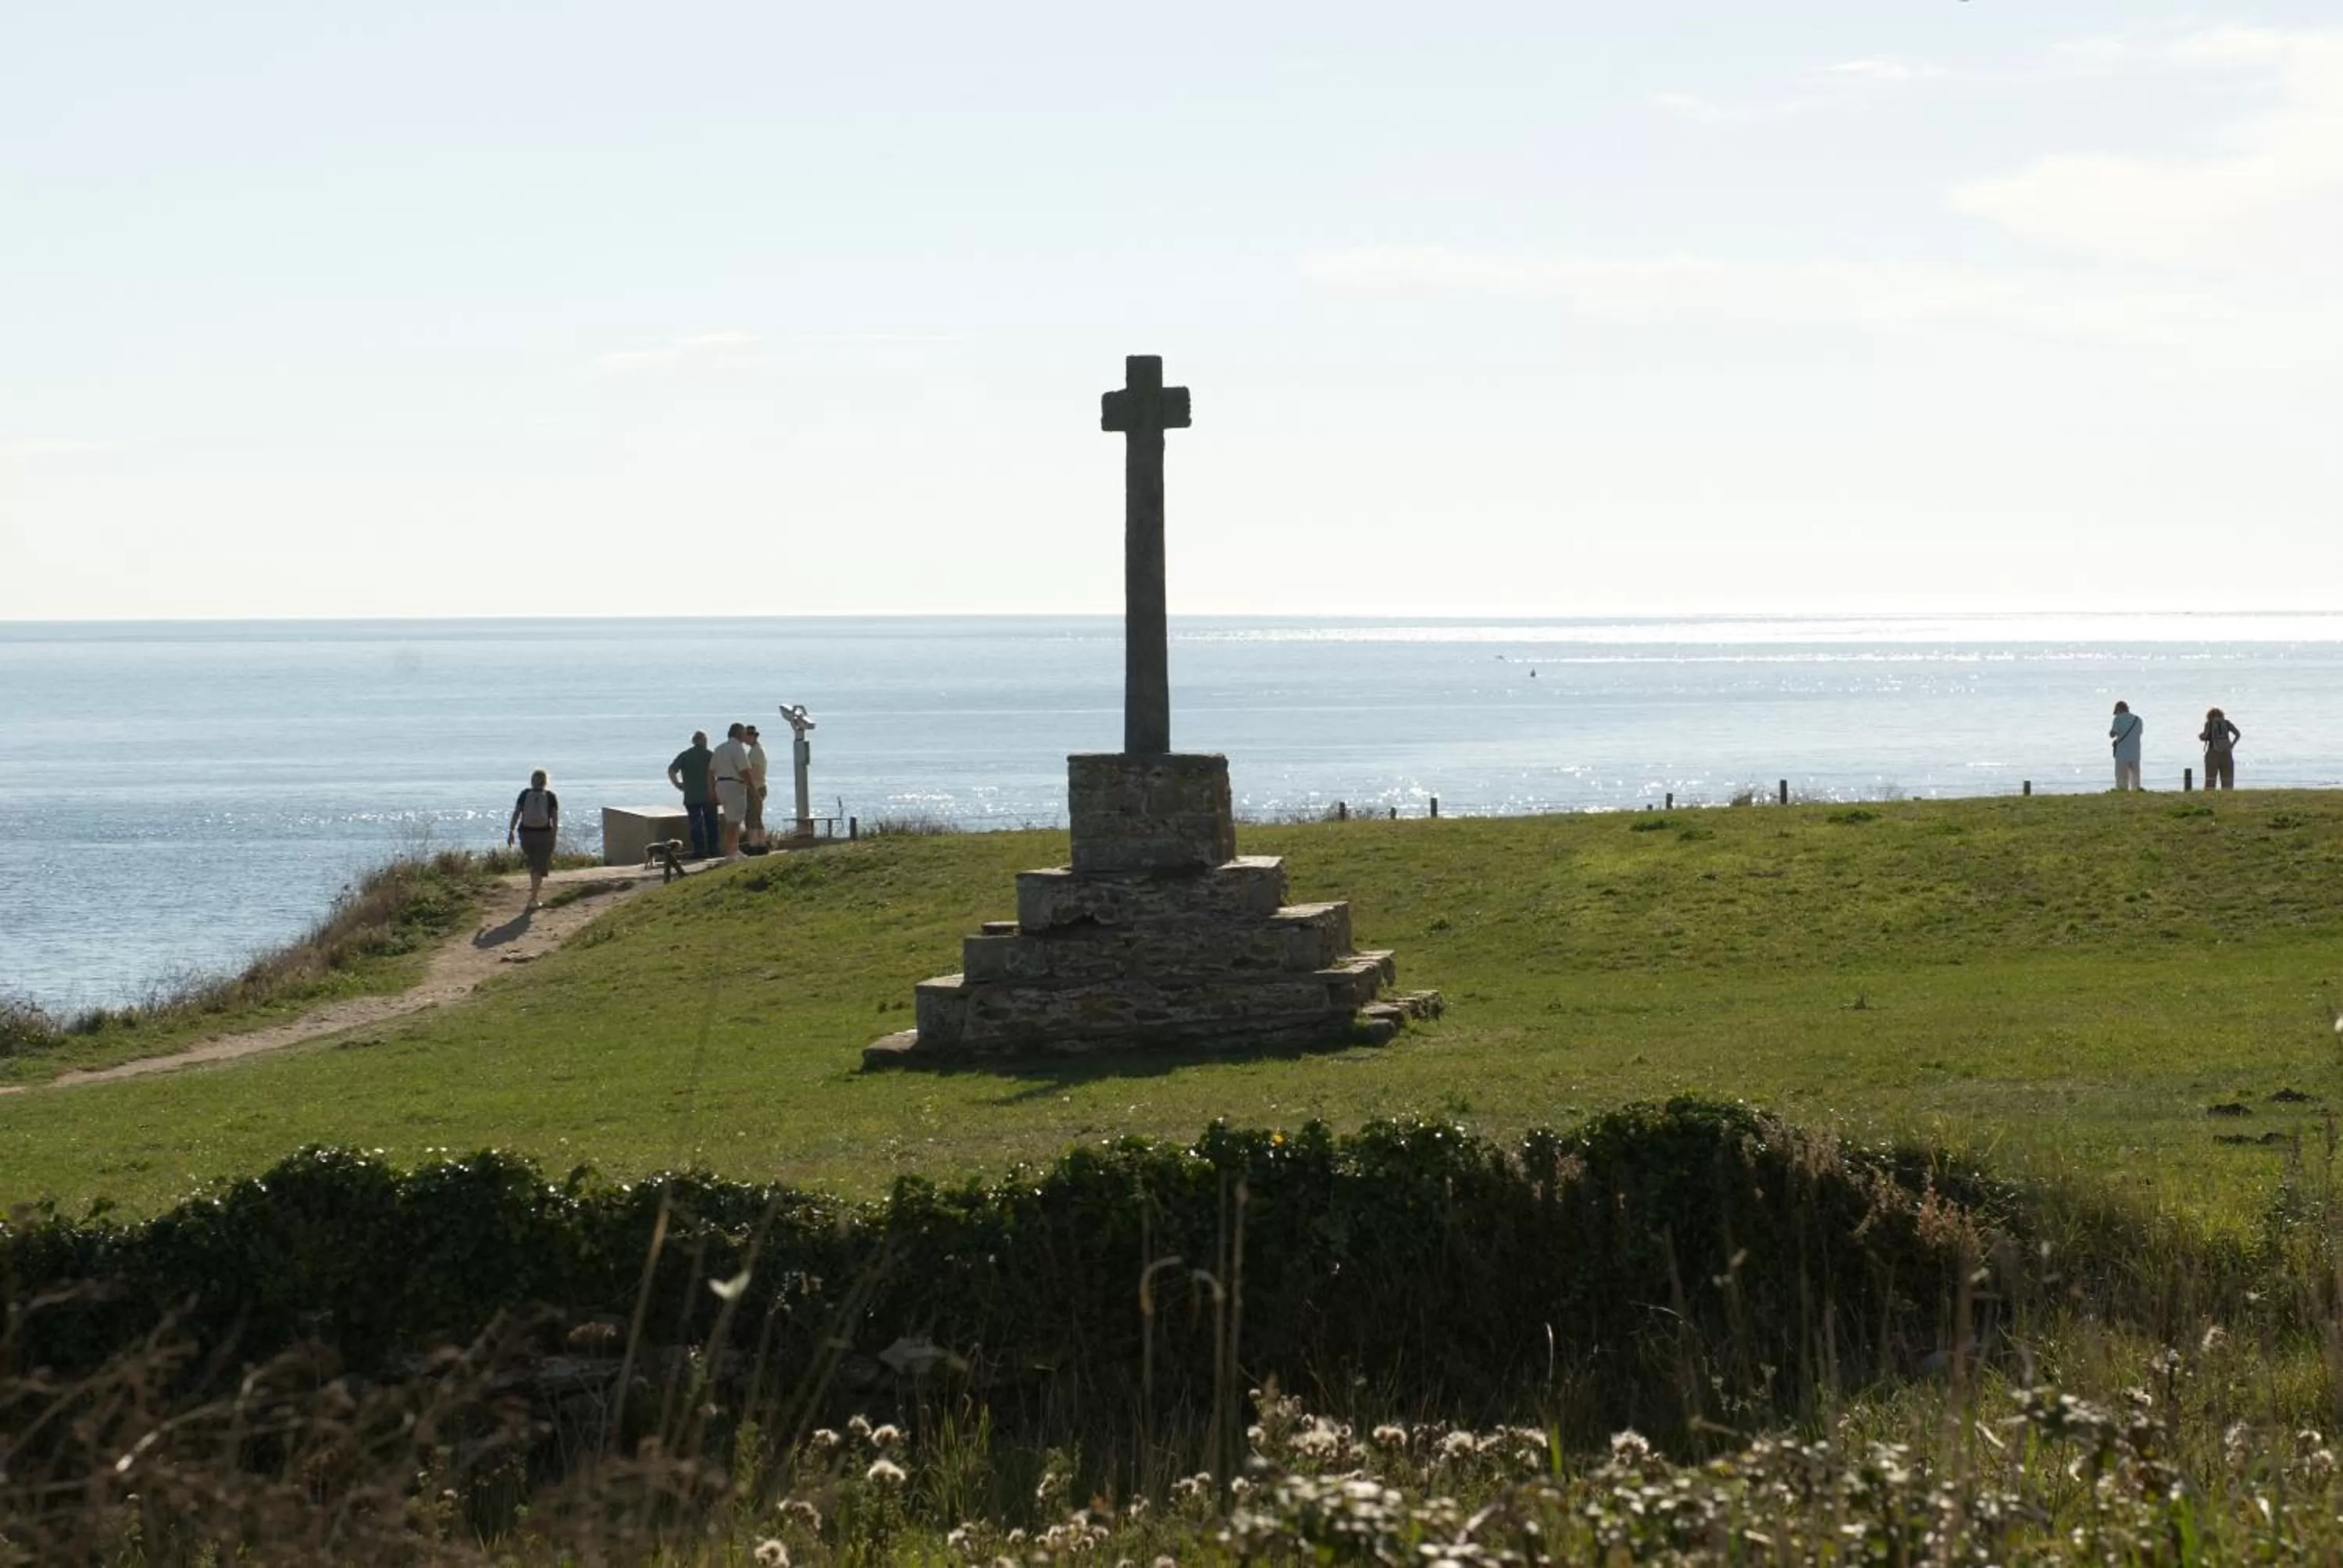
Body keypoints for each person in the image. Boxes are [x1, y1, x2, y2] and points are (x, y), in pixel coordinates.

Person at [505, 768, 560, 911]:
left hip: (526, 834)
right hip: (543, 834)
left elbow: (517, 813)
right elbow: (555, 820)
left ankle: (533, 895)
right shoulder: (550, 796)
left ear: (532, 781)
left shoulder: (524, 794)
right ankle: (533, 899)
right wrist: (554, 836)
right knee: (539, 867)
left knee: (534, 864)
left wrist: (511, 831)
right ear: (546, 781)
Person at [668, 730, 718, 859]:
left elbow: (672, 770)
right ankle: (713, 849)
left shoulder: (685, 755)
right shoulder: (709, 755)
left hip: (691, 796)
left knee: (695, 824)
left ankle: (699, 850)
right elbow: (719, 773)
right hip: (709, 795)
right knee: (711, 823)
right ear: (703, 741)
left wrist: (678, 784)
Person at [711, 722, 755, 859]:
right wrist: (753, 789)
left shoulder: (719, 748)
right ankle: (730, 852)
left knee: (732, 819)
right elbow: (744, 770)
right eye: (744, 733)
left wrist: (711, 790)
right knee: (734, 822)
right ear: (739, 734)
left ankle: (734, 849)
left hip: (721, 785)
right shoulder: (737, 748)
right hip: (734, 785)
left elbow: (711, 772)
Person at [2199, 707, 2242, 789]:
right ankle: (2227, 795)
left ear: (2209, 716)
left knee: (2210, 780)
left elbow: (2204, 736)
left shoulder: (2209, 724)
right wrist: (2232, 745)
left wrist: (2201, 736)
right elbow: (2238, 734)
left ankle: (2210, 796)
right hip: (2227, 753)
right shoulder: (2227, 723)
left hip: (2212, 753)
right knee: (2227, 781)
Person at [743, 723, 769, 850]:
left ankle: (754, 845)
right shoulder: (756, 750)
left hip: (755, 787)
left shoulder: (755, 752)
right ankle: (761, 844)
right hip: (759, 786)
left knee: (752, 817)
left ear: (752, 736)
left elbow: (752, 771)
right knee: (757, 817)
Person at [2109, 700, 2145, 791]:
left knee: (2121, 780)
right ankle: (2136, 793)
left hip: (2122, 755)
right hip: (2135, 753)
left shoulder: (2118, 719)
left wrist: (2112, 733)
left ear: (2119, 709)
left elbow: (2113, 734)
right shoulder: (2138, 720)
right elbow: (2139, 733)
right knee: (2136, 779)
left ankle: (2122, 793)